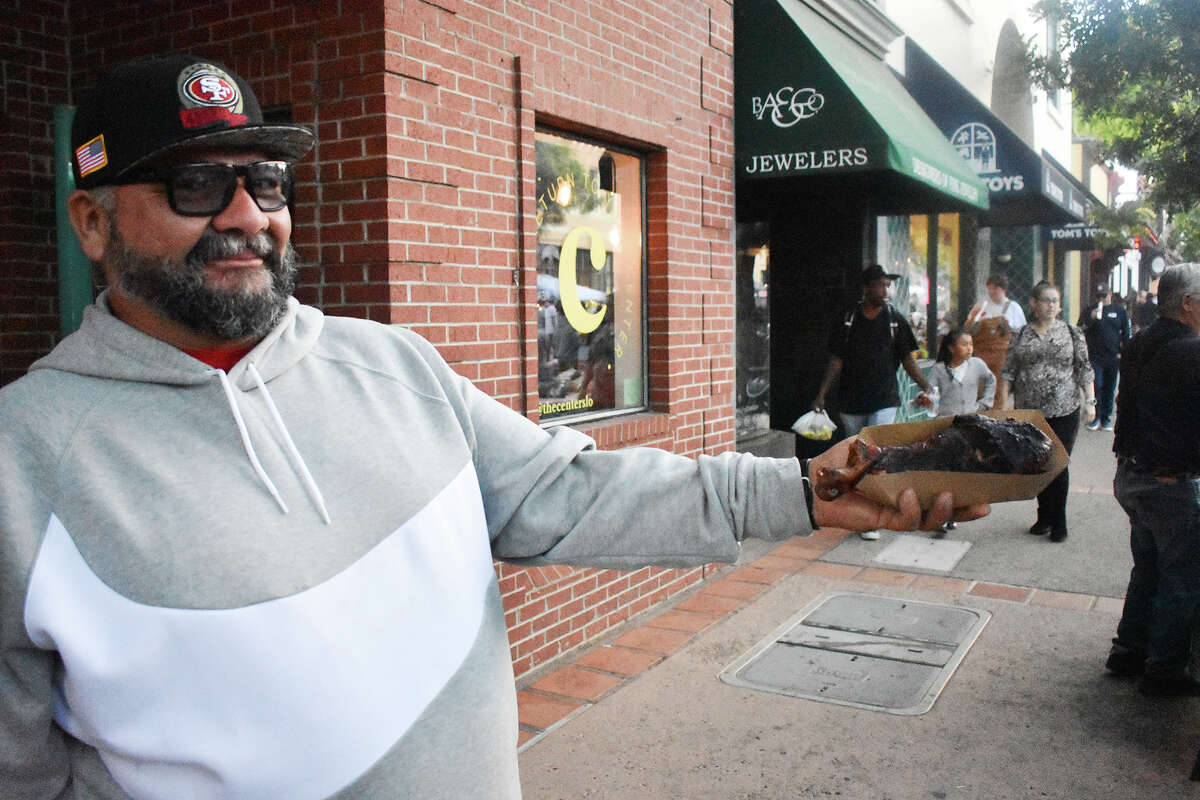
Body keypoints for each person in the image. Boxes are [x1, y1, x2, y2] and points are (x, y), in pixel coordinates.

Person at [0, 55, 985, 799]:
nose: (248, 215)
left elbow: (570, 491)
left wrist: (803, 491)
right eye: (194, 186)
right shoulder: (22, 460)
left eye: (265, 181)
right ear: (92, 222)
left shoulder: (395, 365)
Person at [1105, 263, 1200, 697]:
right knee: (1180, 578)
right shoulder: (1191, 350)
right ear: (1187, 303)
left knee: (1148, 567)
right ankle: (1163, 670)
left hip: (1131, 474)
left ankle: (1128, 650)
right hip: (1166, 483)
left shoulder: (1141, 341)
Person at [813, 263, 935, 540]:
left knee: (876, 455)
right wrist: (821, 393)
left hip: (884, 399)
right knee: (855, 457)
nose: (885, 290)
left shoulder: (895, 320)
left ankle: (875, 514)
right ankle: (856, 509)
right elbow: (836, 360)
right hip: (850, 400)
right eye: (880, 285)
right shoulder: (848, 319)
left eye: (887, 285)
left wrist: (926, 385)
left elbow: (907, 360)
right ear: (866, 288)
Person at [996, 281, 1096, 543]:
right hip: (1030, 411)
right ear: (1034, 304)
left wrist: (1091, 401)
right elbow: (1008, 371)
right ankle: (1044, 516)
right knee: (1038, 463)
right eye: (1046, 300)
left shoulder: (1072, 333)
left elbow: (1084, 368)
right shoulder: (1022, 335)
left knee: (1058, 463)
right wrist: (1004, 400)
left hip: (1064, 408)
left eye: (1055, 300)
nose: (1051, 305)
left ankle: (1059, 521)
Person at [915, 328, 996, 538]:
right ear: (951, 348)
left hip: (969, 426)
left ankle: (953, 514)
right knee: (943, 471)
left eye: (971, 344)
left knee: (962, 471)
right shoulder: (939, 370)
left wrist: (984, 403)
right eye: (964, 344)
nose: (969, 348)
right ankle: (940, 515)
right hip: (945, 427)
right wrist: (925, 398)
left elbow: (991, 380)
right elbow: (930, 392)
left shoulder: (977, 365)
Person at [1078, 287, 1130, 432]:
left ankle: (1106, 418)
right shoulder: (1089, 310)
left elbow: (1126, 332)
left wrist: (1124, 352)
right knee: (1097, 386)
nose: (1101, 299)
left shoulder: (1119, 311)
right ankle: (1096, 417)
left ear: (1110, 295)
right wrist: (1090, 319)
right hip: (1094, 356)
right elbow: (1079, 329)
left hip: (1113, 356)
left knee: (1110, 387)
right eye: (1098, 296)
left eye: (1104, 295)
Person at [965, 273, 1027, 379]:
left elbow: (1022, 333)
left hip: (1003, 357)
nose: (991, 292)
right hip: (982, 354)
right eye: (989, 289)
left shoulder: (1013, 307)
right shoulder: (981, 306)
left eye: (995, 289)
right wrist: (973, 319)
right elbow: (968, 329)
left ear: (1003, 289)